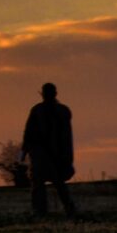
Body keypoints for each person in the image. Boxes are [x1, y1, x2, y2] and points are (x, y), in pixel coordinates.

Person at [23, 81, 77, 218]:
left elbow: (66, 136)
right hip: (44, 154)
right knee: (44, 184)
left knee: (54, 184)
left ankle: (52, 211)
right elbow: (29, 133)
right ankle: (43, 212)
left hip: (53, 154)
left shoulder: (59, 111)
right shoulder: (44, 110)